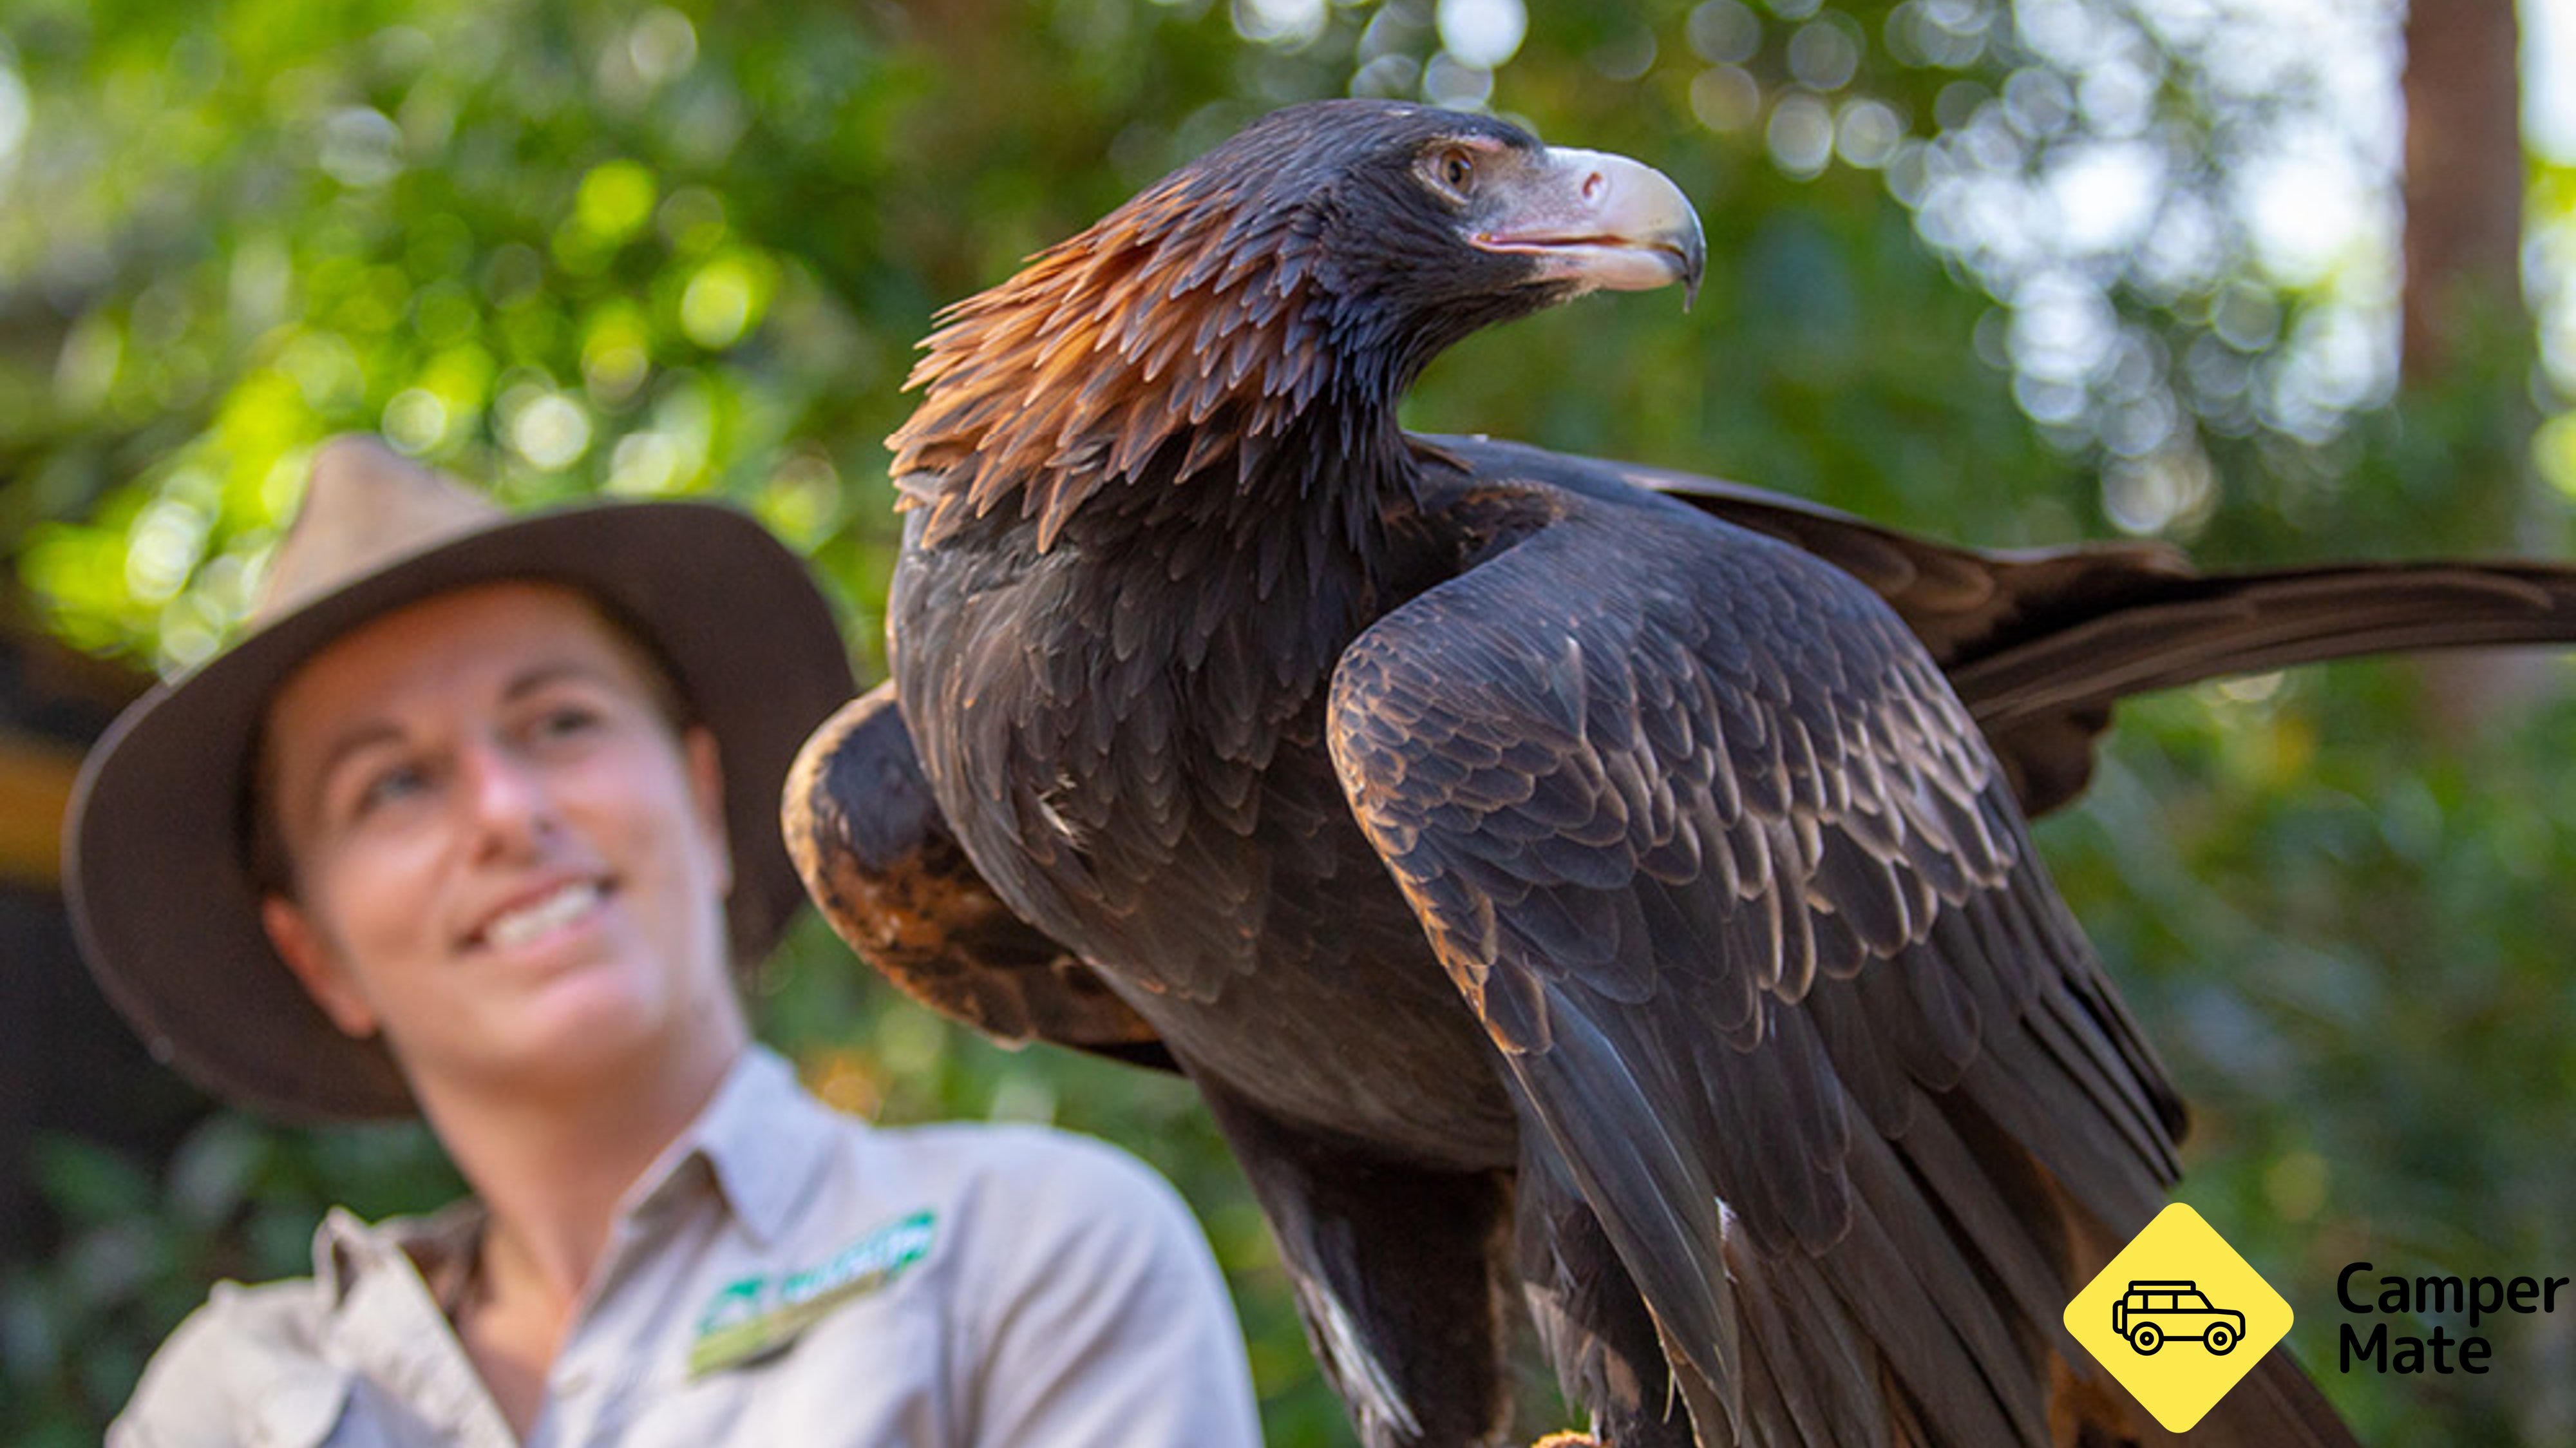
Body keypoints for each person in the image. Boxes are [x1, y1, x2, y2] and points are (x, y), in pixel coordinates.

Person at [64, 436, 1265, 1447]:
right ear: (315, 953)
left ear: (700, 800)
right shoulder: (231, 1402)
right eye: (391, 787)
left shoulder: (1025, 1254)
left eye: (559, 721)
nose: (506, 811)